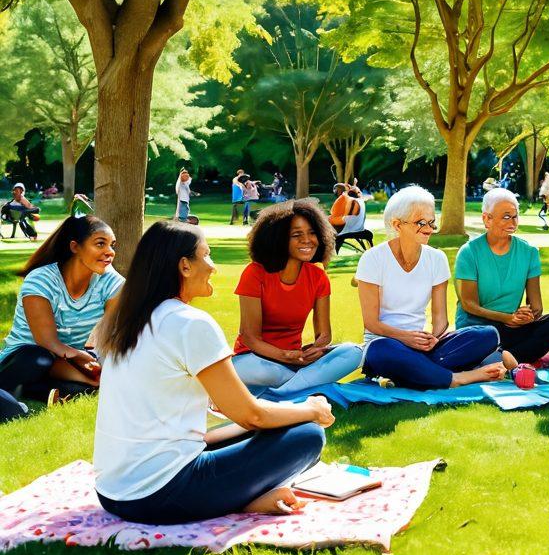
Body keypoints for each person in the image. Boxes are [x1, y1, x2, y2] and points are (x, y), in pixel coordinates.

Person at [93, 220, 333, 524]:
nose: (213, 266)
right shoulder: (190, 323)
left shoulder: (128, 320)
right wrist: (310, 410)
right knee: (307, 435)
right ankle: (245, 501)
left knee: (273, 426)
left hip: (113, 493)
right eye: (206, 255)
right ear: (185, 266)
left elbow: (235, 417)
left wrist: (289, 411)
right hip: (158, 495)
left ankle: (243, 497)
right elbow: (251, 415)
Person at [357, 186, 506, 390]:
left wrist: (433, 338)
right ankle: (458, 378)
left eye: (431, 222)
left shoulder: (437, 258)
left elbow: (440, 319)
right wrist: (406, 338)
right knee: (380, 351)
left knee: (488, 334)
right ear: (397, 225)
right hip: (387, 342)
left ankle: (412, 373)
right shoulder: (372, 259)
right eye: (420, 223)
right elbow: (372, 323)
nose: (428, 228)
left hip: (424, 347)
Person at [231, 201, 364, 401]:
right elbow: (250, 337)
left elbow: (324, 334)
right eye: (296, 235)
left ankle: (279, 396)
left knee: (354, 353)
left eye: (312, 233)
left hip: (296, 360)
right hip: (254, 360)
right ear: (278, 239)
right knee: (267, 373)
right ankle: (305, 388)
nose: (308, 240)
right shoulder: (255, 273)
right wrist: (285, 356)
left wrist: (315, 349)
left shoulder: (317, 276)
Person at [0, 212, 123, 418]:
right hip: (26, 358)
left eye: (112, 245)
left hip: (67, 360)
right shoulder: (41, 280)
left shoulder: (112, 284)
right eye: (100, 244)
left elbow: (113, 337)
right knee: (38, 359)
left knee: (98, 378)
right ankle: (16, 394)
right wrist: (83, 363)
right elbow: (47, 342)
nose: (110, 252)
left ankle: (34, 392)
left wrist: (99, 369)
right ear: (75, 247)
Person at [455, 189, 549, 365]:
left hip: (511, 327)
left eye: (515, 216)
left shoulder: (529, 252)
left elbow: (536, 306)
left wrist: (526, 315)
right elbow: (469, 304)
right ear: (487, 219)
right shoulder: (469, 252)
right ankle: (505, 356)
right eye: (506, 216)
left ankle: (508, 359)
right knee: (483, 335)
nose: (512, 221)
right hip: (479, 329)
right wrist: (507, 318)